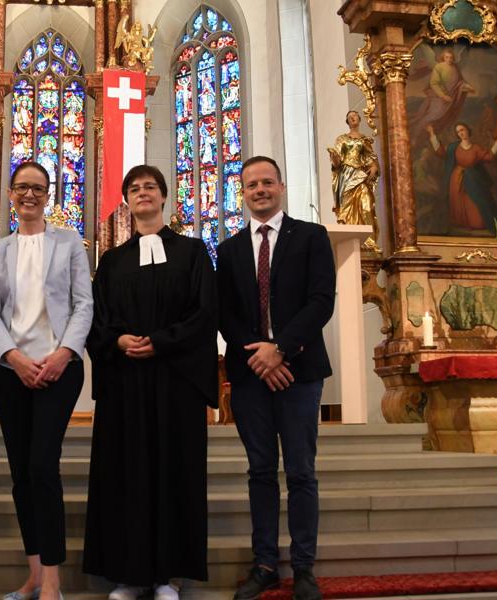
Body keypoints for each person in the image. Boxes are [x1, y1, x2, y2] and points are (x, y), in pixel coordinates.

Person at [84, 165, 217, 600]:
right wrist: (119, 340)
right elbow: (97, 319)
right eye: (135, 188)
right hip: (126, 385)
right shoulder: (113, 260)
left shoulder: (193, 253)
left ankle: (168, 576)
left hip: (174, 383)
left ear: (164, 197)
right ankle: (130, 575)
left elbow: (204, 313)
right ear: (127, 201)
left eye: (150, 187)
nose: (143, 193)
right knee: (127, 476)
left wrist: (161, 342)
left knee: (173, 474)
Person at [217, 156, 336, 600]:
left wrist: (280, 348)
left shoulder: (310, 236)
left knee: (302, 472)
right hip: (251, 376)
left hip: (299, 372)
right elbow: (224, 311)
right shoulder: (227, 250)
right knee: (261, 471)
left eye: (267, 182)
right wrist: (259, 356)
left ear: (281, 187)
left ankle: (303, 566)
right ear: (242, 192)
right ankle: (265, 563)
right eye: (251, 184)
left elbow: (321, 300)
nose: (260, 190)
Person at [0, 161, 94, 600]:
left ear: (49, 195)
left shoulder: (69, 244)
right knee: (20, 472)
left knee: (43, 466)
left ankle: (52, 579)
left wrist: (64, 352)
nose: (29, 195)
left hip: (58, 367)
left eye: (38, 188)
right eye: (22, 188)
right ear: (11, 194)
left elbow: (84, 303)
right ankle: (32, 573)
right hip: (9, 371)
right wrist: (11, 355)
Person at [427, 122, 497, 233]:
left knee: (476, 214)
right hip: (456, 180)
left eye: (462, 130)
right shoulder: (453, 147)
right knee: (458, 205)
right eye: (458, 132)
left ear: (468, 130)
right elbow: (441, 152)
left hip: (473, 181)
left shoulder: (476, 148)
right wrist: (432, 134)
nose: (461, 133)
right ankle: (460, 223)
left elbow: (489, 157)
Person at [328, 110, 380, 252]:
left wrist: (374, 168)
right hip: (346, 176)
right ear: (347, 122)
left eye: (355, 116)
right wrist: (334, 158)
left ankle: (369, 241)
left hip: (361, 175)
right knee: (348, 209)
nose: (352, 118)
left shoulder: (365, 140)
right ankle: (349, 242)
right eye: (349, 117)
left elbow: (371, 158)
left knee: (367, 205)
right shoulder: (342, 139)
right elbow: (337, 162)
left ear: (359, 119)